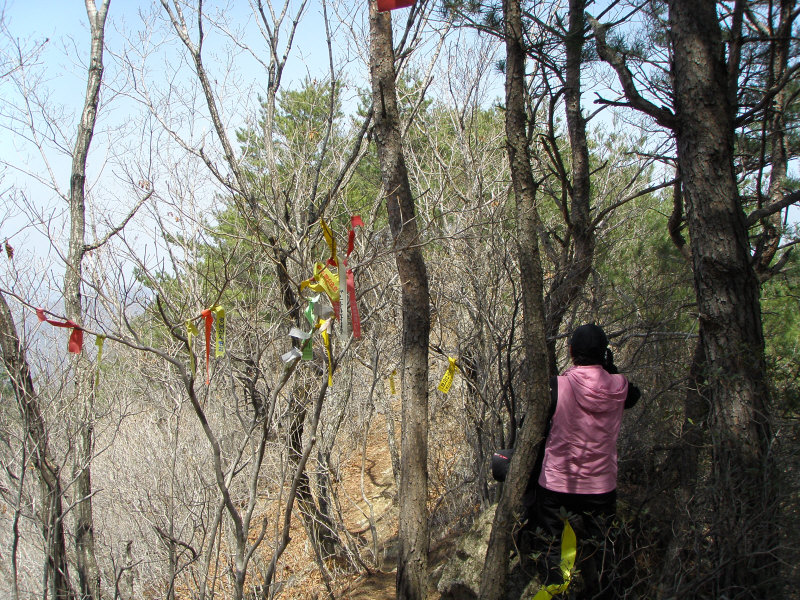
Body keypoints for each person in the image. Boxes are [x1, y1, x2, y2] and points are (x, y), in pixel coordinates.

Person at [532, 324, 641, 598]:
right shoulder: (621, 387)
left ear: (570, 352)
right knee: (604, 549)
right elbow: (633, 398)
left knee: (551, 548)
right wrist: (610, 370)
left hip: (556, 487)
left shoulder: (557, 385)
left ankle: (554, 590)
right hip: (600, 489)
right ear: (604, 354)